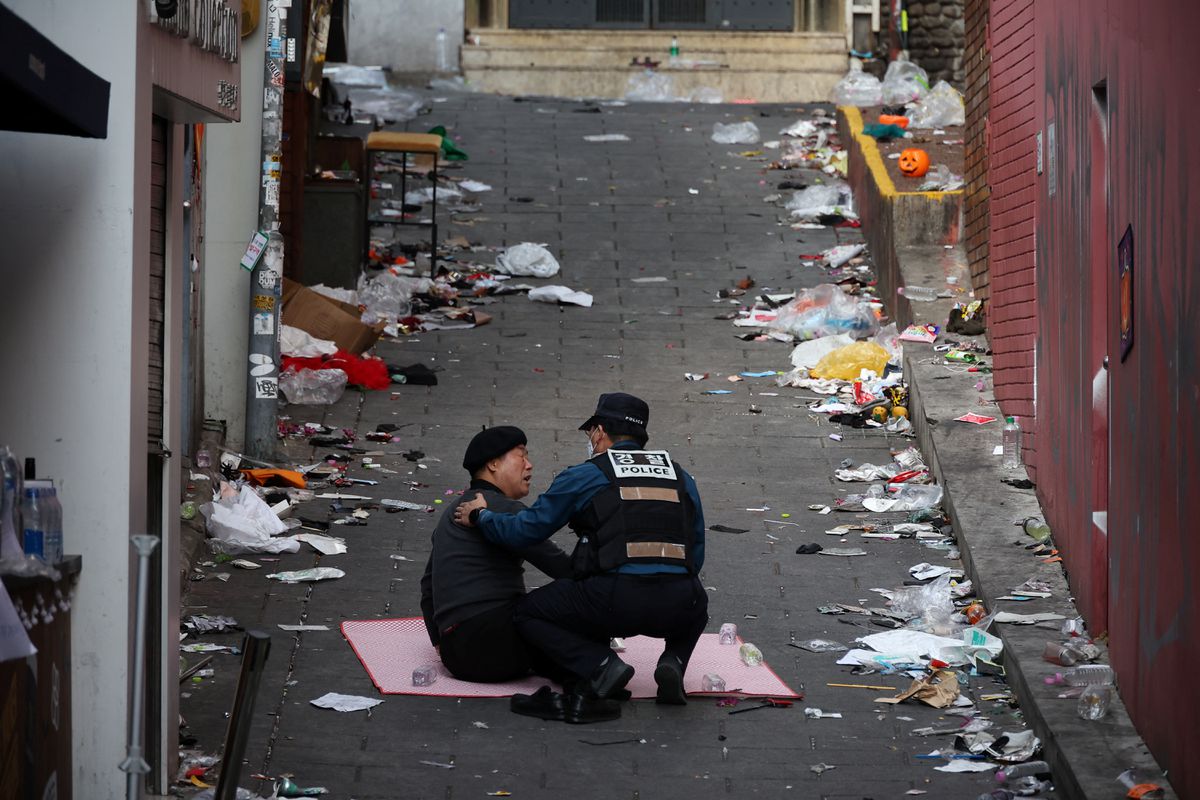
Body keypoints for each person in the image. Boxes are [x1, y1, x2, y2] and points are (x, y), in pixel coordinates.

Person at [455, 393, 707, 724]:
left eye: (590, 433)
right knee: (697, 604)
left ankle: (601, 665)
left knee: (528, 613)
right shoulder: (680, 476)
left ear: (599, 432)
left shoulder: (586, 475)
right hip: (680, 604)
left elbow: (526, 531)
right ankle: (673, 660)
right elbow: (697, 552)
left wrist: (482, 518)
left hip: (615, 601)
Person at [420, 425, 572, 683]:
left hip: (456, 656)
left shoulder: (450, 513)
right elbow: (560, 567)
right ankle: (595, 666)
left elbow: (427, 586)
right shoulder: (502, 508)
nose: (529, 465)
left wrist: (439, 639)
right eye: (521, 455)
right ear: (493, 464)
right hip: (496, 644)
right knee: (569, 596)